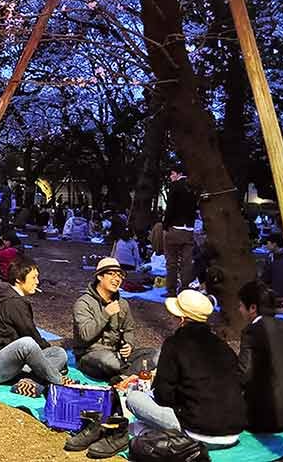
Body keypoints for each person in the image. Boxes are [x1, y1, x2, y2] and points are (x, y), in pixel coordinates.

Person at [126, 290, 246, 449]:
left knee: (133, 398)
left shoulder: (174, 344)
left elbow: (163, 396)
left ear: (182, 319)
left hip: (199, 433)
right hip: (233, 432)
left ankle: (157, 432)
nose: (171, 319)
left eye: (174, 316)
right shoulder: (224, 347)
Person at [0, 258, 70, 391]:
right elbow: (30, 333)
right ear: (19, 279)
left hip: (13, 363)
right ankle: (59, 382)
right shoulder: (14, 302)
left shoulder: (15, 299)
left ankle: (30, 382)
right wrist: (44, 353)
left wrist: (45, 353)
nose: (37, 282)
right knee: (28, 343)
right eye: (34, 277)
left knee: (59, 353)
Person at [72, 258, 158, 381]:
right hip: (91, 356)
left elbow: (129, 329)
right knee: (108, 361)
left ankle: (123, 377)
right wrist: (106, 313)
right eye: (111, 274)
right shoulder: (83, 303)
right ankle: (131, 373)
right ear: (100, 277)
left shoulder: (122, 303)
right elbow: (85, 335)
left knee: (155, 354)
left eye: (120, 276)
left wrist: (129, 344)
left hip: (118, 355)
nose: (117, 279)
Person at [237, 281, 283, 433]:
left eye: (241, 305)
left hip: (266, 418)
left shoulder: (251, 332)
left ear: (253, 308)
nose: (239, 310)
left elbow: (244, 373)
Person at [163, 165, 197, 296]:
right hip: (189, 228)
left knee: (171, 262)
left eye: (172, 174)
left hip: (175, 228)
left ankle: (171, 290)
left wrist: (166, 226)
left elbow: (170, 209)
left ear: (178, 174)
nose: (171, 177)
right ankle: (184, 290)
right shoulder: (193, 187)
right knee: (186, 262)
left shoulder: (176, 187)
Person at [262, 232, 283, 308]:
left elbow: (265, 279)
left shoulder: (276, 261)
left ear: (274, 244)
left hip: (280, 297)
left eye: (268, 244)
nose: (266, 246)